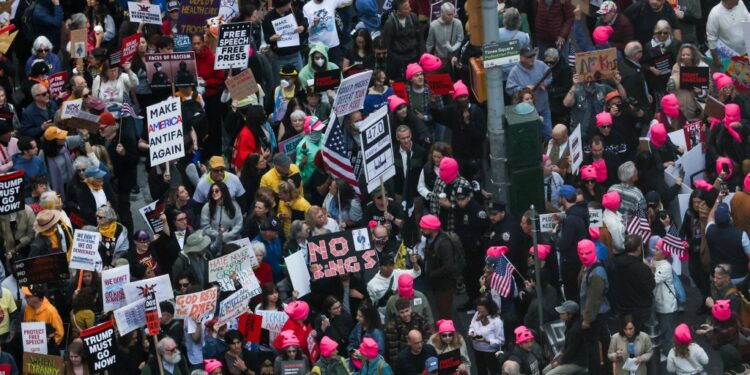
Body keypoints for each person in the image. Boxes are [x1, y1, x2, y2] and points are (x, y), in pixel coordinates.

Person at [506, 46, 553, 138]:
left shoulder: (541, 64)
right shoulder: (514, 72)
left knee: (548, 134)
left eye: (533, 55)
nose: (532, 58)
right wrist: (524, 89)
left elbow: (549, 76)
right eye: (529, 56)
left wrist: (545, 83)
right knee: (532, 138)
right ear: (521, 58)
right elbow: (509, 89)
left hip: (543, 107)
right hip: (526, 113)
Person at [543, 301, 586, 374]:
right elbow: (567, 345)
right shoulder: (570, 323)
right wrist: (559, 355)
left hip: (577, 362)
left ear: (570, 314)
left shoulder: (575, 329)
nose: (560, 315)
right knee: (545, 371)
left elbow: (571, 351)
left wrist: (559, 362)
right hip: (569, 357)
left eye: (562, 313)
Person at [707, 0, 750, 69]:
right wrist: (715, 59)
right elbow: (711, 39)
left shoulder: (740, 3)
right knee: (730, 79)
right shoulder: (715, 13)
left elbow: (748, 21)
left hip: (744, 52)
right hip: (727, 57)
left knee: (745, 78)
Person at [22, 284, 64, 351]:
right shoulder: (28, 308)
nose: (25, 298)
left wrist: (49, 347)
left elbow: (59, 333)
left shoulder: (51, 311)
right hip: (31, 349)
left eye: (28, 296)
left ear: (37, 297)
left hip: (47, 351)